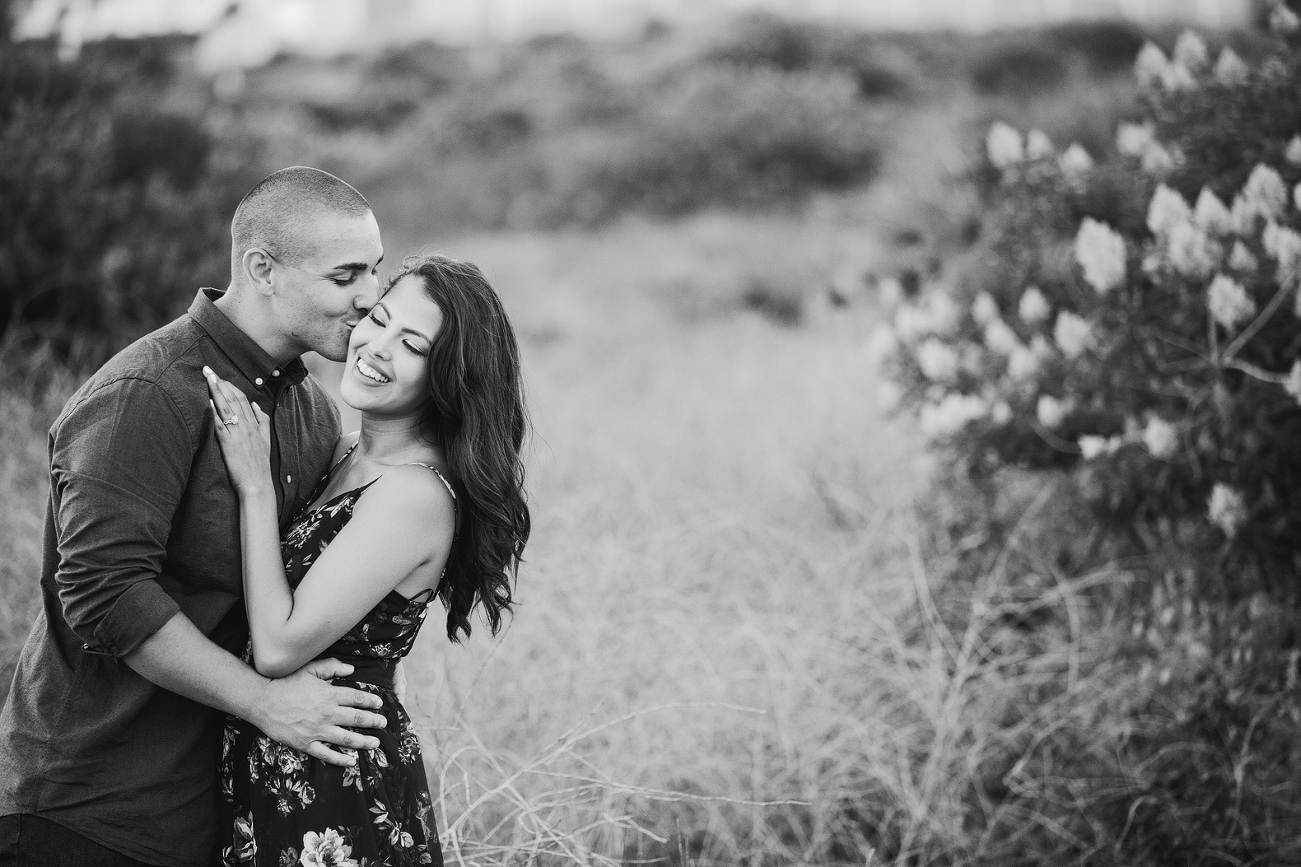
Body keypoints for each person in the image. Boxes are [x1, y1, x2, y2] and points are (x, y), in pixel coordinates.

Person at [0, 167, 394, 867]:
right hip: (85, 810)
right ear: (262, 268)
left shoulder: (311, 413)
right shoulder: (145, 391)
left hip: (212, 809)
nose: (371, 297)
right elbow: (104, 593)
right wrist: (265, 703)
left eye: (376, 271)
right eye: (346, 276)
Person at [205, 254, 530, 866]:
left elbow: (278, 645)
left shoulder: (414, 494)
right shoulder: (349, 451)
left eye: (410, 344)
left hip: (336, 790)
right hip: (282, 761)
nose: (376, 347)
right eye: (377, 320)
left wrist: (255, 487)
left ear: (447, 380)